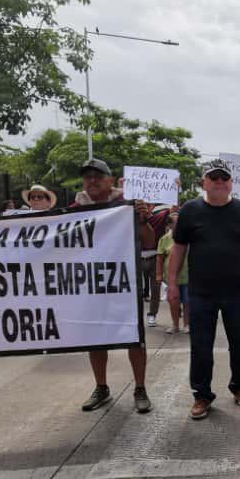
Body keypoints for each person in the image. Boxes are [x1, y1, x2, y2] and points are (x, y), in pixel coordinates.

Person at [167, 159, 240, 420]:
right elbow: (178, 249)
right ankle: (201, 395)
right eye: (214, 178)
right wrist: (172, 283)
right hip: (200, 293)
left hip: (237, 291)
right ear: (204, 183)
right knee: (200, 346)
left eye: (224, 178)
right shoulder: (189, 211)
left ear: (231, 183)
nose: (219, 182)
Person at [74, 158, 154, 414]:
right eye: (87, 177)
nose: (92, 181)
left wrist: (141, 220)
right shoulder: (74, 208)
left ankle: (140, 388)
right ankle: (101, 387)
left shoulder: (128, 206)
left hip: (124, 284)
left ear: (110, 180)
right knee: (96, 339)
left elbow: (150, 242)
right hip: (91, 284)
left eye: (98, 176)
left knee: (134, 338)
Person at [156, 207, 190, 334]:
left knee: (187, 302)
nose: (178, 225)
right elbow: (159, 257)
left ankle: (187, 325)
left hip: (187, 276)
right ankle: (175, 325)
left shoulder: (189, 237)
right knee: (173, 302)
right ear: (169, 225)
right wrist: (158, 275)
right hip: (171, 279)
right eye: (175, 222)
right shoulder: (164, 239)